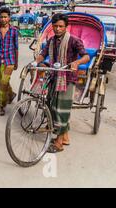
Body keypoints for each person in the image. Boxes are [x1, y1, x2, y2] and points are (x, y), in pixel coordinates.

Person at [32, 13, 89, 153]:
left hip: (67, 79)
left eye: (61, 26)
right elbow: (43, 54)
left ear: (66, 27)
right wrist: (35, 62)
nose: (58, 29)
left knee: (62, 110)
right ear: (52, 26)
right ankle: (65, 137)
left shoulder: (74, 40)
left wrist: (77, 62)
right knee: (52, 105)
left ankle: (59, 143)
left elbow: (86, 56)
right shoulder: (51, 41)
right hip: (53, 77)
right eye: (55, 26)